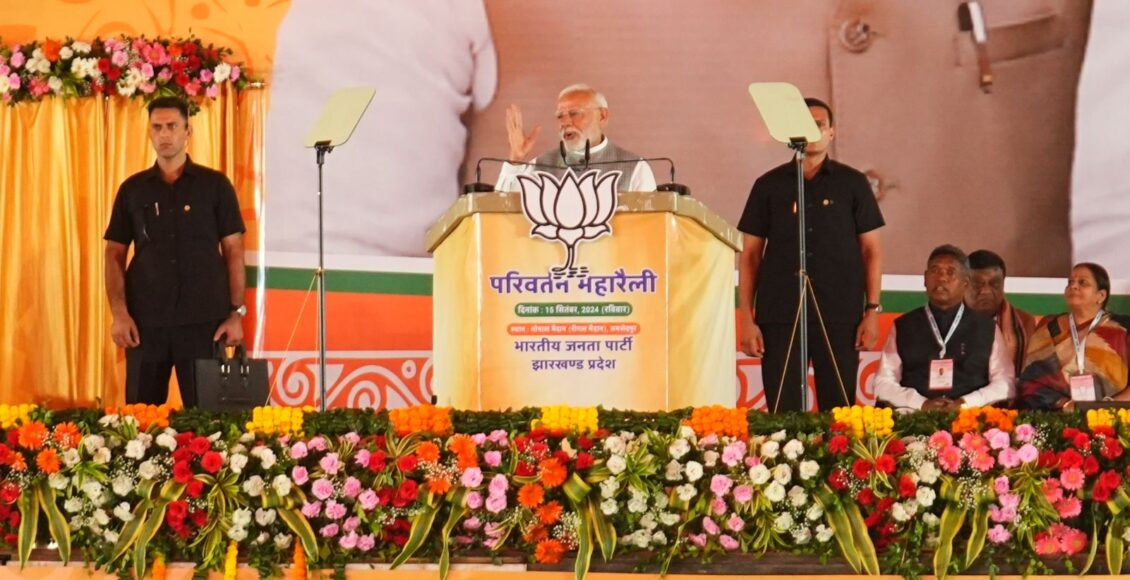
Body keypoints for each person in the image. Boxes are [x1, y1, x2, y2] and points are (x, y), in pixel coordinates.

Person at [738, 98, 883, 412]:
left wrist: (872, 310)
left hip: (840, 314)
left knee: (839, 411)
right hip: (780, 314)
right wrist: (746, 319)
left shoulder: (853, 183)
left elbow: (871, 250)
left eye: (820, 124)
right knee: (783, 412)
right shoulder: (768, 185)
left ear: (831, 132)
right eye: (805, 124)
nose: (813, 131)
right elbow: (750, 255)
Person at [104, 97, 247, 408]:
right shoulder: (132, 189)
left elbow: (234, 251)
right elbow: (114, 253)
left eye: (172, 126)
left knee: (209, 420)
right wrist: (120, 314)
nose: (164, 134)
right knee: (140, 420)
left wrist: (236, 313)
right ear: (149, 133)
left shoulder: (215, 185)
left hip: (205, 322)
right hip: (145, 323)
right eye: (157, 127)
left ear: (187, 131)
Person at [874, 245, 1014, 411]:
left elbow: (1005, 382)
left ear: (966, 282)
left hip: (970, 419)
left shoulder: (987, 328)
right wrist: (921, 404)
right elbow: (883, 383)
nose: (941, 278)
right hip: (915, 417)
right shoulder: (903, 326)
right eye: (935, 270)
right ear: (925, 279)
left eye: (950, 272)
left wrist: (965, 403)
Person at [496, 84, 656, 192]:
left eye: (574, 113)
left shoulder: (634, 167)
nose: (565, 122)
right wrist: (515, 160)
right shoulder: (541, 165)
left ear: (602, 116)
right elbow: (501, 213)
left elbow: (651, 225)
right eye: (560, 116)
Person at [1019, 263, 1130, 411]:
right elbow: (1030, 381)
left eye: (1083, 282)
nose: (1073, 286)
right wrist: (1064, 404)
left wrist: (1106, 408)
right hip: (1056, 415)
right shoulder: (1050, 327)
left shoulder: (1123, 329)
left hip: (1113, 416)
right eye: (1070, 282)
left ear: (1101, 295)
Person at [965, 249, 1039, 375]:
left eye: (994, 284)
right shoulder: (948, 319)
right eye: (977, 284)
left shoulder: (1025, 321)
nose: (986, 291)